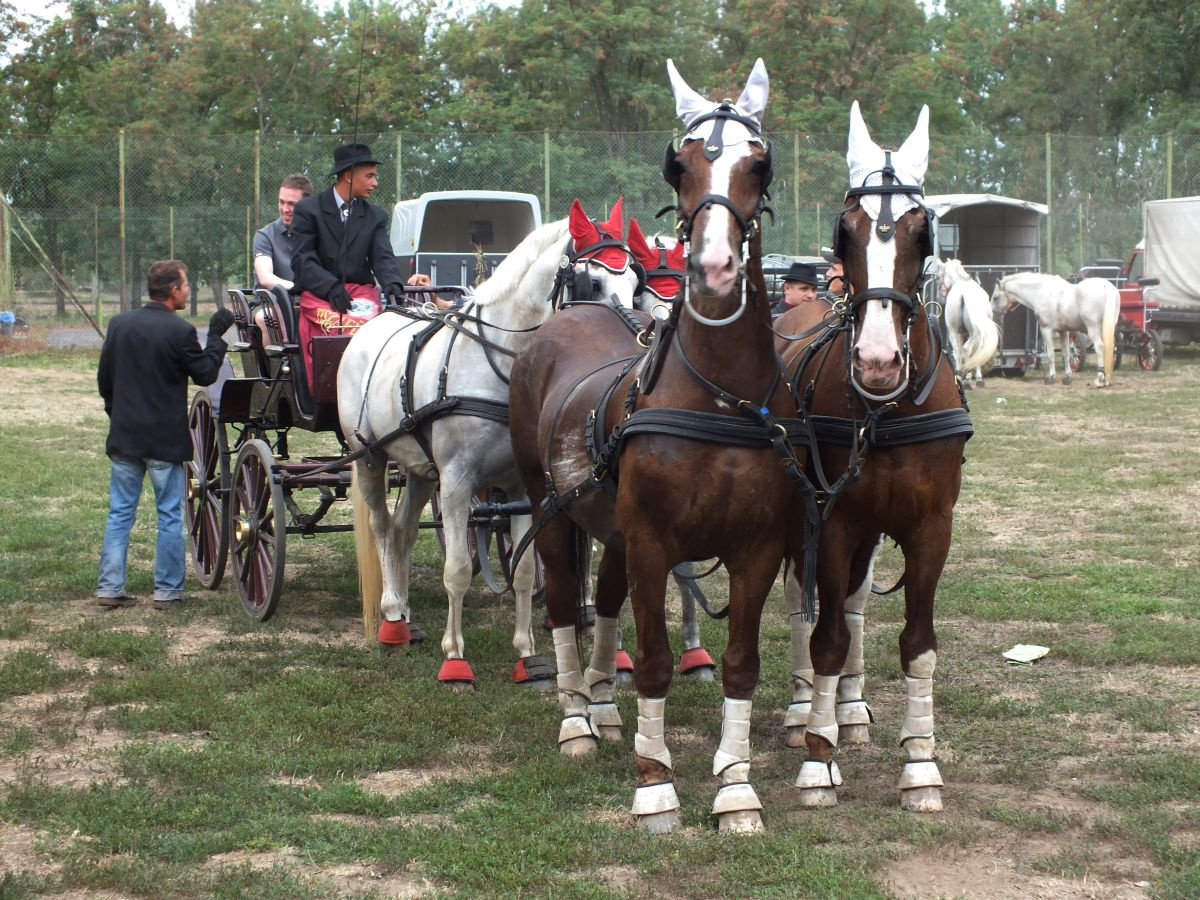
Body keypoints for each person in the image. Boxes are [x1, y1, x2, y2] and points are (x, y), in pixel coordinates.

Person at [96, 260, 234, 610]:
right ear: (174, 290)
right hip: (163, 441)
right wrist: (216, 338)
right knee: (170, 514)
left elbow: (105, 381)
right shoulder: (179, 332)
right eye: (187, 285)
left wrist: (119, 416)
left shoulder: (119, 325)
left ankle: (110, 588)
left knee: (120, 513)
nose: (189, 290)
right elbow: (204, 373)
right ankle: (168, 592)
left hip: (125, 436)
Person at [290, 142, 406, 389]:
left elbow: (382, 257)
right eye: (370, 176)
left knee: (370, 331)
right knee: (337, 327)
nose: (375, 183)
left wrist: (393, 285)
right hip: (320, 293)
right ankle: (330, 389)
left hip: (360, 294)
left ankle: (377, 389)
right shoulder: (309, 211)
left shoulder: (375, 216)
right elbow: (303, 260)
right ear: (347, 176)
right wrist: (331, 287)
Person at [251, 173, 313, 342]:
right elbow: (265, 277)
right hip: (272, 305)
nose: (285, 209)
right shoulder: (264, 236)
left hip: (312, 305)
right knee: (266, 317)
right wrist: (299, 288)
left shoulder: (321, 235)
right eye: (281, 202)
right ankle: (280, 368)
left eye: (291, 204)